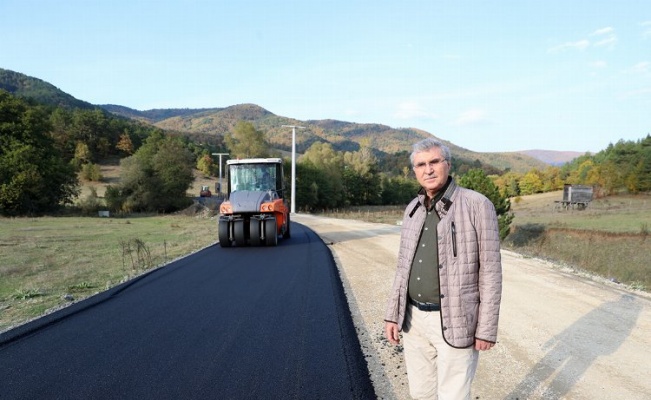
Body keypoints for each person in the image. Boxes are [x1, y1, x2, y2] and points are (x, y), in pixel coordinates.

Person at [384, 138, 502, 400]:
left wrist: (486, 329)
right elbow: (403, 267)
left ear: (447, 165)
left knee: (453, 395)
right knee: (420, 394)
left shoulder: (476, 205)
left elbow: (491, 272)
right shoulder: (413, 209)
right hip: (413, 320)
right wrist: (393, 314)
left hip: (456, 319)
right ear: (414, 170)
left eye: (434, 162)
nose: (428, 169)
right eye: (421, 164)